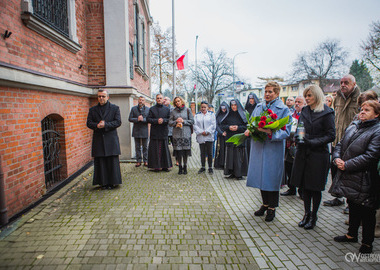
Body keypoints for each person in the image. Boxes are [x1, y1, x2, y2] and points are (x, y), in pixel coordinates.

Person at [331, 100, 380, 254]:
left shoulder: (377, 131)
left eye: (367, 110)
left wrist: (347, 164)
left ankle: (367, 243)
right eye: (361, 109)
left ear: (377, 114)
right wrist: (337, 158)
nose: (362, 112)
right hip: (349, 175)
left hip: (366, 177)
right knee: (352, 203)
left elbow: (371, 155)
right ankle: (351, 234)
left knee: (367, 211)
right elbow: (339, 144)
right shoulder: (354, 125)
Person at [290, 86, 336, 230]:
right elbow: (300, 126)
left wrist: (312, 141)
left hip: (318, 154)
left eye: (309, 95)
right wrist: (298, 136)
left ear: (316, 96)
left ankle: (313, 216)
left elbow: (331, 135)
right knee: (304, 186)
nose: (307, 98)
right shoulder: (304, 110)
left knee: (314, 188)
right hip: (303, 152)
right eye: (306, 96)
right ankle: (306, 214)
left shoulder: (327, 113)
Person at [245, 82, 292, 222]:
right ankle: (265, 204)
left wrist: (270, 132)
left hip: (273, 149)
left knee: (271, 178)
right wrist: (250, 129)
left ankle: (272, 208)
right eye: (266, 91)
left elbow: (286, 131)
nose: (267, 94)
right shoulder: (259, 107)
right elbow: (252, 122)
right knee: (261, 177)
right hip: (259, 147)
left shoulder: (283, 109)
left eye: (270, 92)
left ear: (277, 93)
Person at [323, 74, 361, 207]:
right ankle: (338, 197)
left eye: (346, 82)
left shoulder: (359, 98)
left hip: (353, 143)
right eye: (341, 82)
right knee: (335, 169)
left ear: (354, 83)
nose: (343, 85)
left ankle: (351, 204)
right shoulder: (337, 97)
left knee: (350, 173)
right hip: (337, 140)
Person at [86, 89, 122, 189]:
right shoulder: (92, 110)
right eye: (99, 96)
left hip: (111, 139)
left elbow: (118, 122)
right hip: (99, 139)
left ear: (108, 97)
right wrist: (97, 125)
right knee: (101, 162)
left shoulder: (115, 108)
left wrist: (106, 124)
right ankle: (103, 183)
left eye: (103, 96)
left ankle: (113, 182)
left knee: (112, 161)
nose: (101, 98)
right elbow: (88, 123)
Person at [281, 95, 306, 197]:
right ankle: (291, 188)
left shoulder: (305, 115)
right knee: (289, 167)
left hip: (299, 145)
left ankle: (302, 190)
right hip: (289, 144)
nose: (296, 104)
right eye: (296, 102)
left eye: (299, 102)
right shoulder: (291, 114)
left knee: (299, 168)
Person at [222, 99, 248, 180]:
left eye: (235, 105)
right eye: (232, 105)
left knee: (238, 158)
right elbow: (223, 125)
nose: (233, 107)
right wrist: (229, 127)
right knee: (230, 157)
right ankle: (232, 173)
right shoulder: (228, 114)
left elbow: (247, 126)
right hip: (230, 138)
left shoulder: (243, 115)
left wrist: (238, 128)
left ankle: (239, 174)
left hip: (239, 139)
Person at [169, 96, 194, 175]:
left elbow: (192, 121)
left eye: (178, 101)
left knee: (185, 151)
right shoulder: (173, 111)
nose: (177, 103)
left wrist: (183, 121)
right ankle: (180, 167)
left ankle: (185, 166)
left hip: (186, 133)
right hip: (177, 134)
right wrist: (176, 122)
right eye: (176, 102)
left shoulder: (187, 110)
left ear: (182, 101)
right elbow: (170, 122)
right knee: (179, 151)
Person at [147, 94, 172, 171]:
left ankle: (165, 166)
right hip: (155, 132)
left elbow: (169, 120)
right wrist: (156, 121)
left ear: (163, 99)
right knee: (155, 149)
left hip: (163, 131)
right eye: (157, 98)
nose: (159, 99)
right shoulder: (151, 109)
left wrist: (163, 121)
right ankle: (156, 166)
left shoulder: (167, 109)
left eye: (160, 98)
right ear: (156, 99)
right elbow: (148, 119)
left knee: (164, 149)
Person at [194, 101, 216, 174]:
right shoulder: (197, 115)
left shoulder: (211, 115)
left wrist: (207, 131)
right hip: (201, 136)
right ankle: (203, 166)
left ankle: (210, 167)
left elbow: (213, 125)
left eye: (205, 107)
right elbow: (195, 125)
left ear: (207, 107)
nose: (203, 108)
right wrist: (201, 132)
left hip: (209, 136)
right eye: (202, 107)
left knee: (210, 153)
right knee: (202, 152)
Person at [128, 96, 150, 167]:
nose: (141, 101)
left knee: (145, 147)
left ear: (145, 101)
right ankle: (138, 161)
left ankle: (146, 160)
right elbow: (130, 119)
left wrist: (143, 119)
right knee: (137, 147)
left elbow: (149, 119)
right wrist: (137, 119)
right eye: (140, 100)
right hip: (136, 130)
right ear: (138, 100)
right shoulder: (133, 109)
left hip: (145, 130)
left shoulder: (148, 109)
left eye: (142, 100)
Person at [214, 102, 229, 169]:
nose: (223, 110)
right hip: (220, 135)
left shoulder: (228, 115)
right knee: (220, 149)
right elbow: (216, 125)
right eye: (222, 108)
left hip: (227, 134)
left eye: (224, 108)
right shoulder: (218, 115)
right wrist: (221, 132)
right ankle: (219, 164)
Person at [244, 93, 260, 160]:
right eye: (250, 99)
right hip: (247, 130)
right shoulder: (246, 108)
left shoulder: (258, 107)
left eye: (252, 99)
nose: (251, 100)